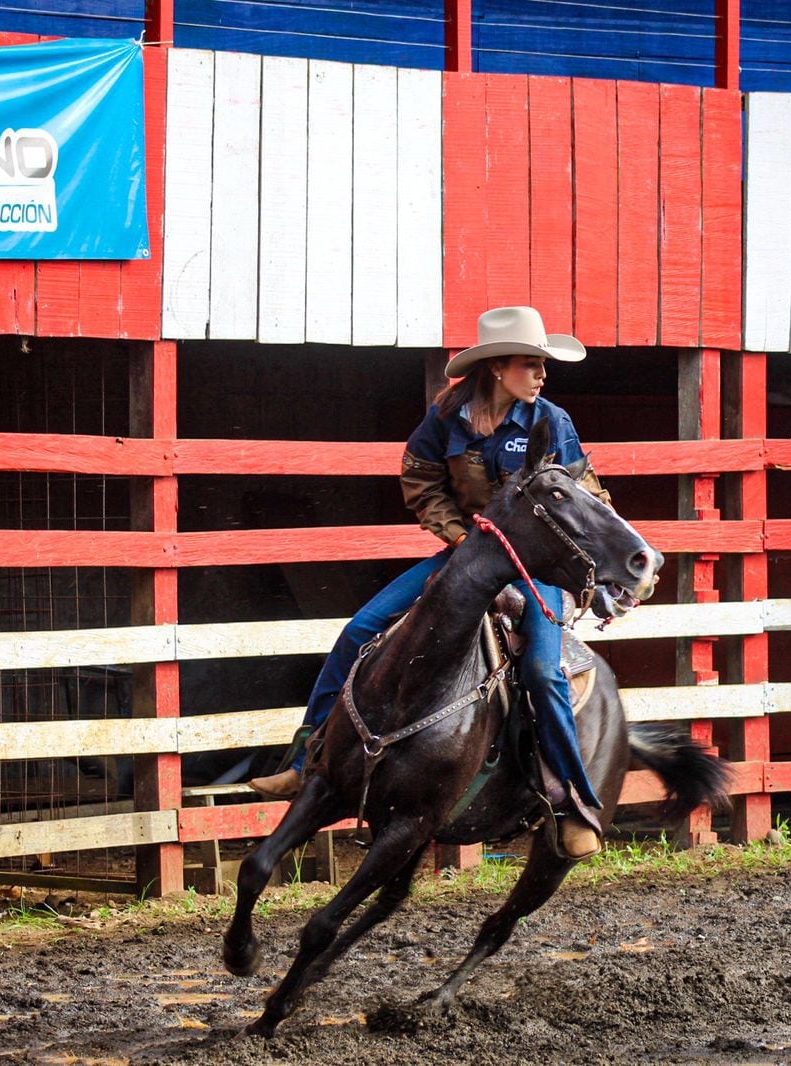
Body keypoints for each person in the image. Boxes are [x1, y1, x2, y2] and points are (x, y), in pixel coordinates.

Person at [248, 306, 610, 859]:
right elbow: (420, 479)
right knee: (360, 629)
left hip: (536, 567)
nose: (541, 374)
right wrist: (460, 538)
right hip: (467, 558)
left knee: (540, 668)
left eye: (542, 365)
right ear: (495, 369)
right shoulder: (447, 419)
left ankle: (572, 805)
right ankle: (305, 760)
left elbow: (584, 496)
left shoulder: (551, 422)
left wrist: (598, 560)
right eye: (529, 364)